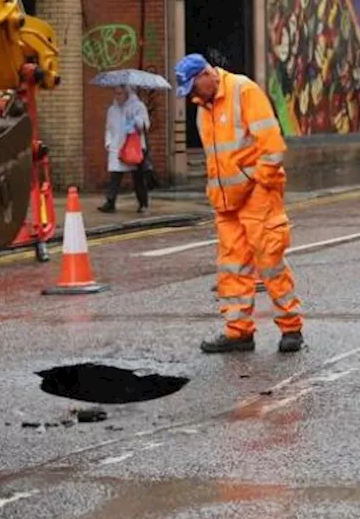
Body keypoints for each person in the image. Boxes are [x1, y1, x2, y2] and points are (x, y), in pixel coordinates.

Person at [174, 53, 304, 355]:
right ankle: (238, 333)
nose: (192, 96)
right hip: (227, 200)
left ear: (208, 74)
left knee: (270, 263)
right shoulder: (203, 106)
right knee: (231, 267)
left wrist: (259, 181)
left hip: (257, 195)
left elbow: (271, 145)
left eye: (194, 87)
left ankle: (291, 327)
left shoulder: (243, 90)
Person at [100, 85, 151, 214]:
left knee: (138, 177)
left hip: (134, 146)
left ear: (127, 93)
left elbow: (145, 125)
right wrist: (108, 142)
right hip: (117, 146)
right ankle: (110, 202)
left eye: (120, 93)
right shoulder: (112, 110)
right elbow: (109, 127)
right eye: (116, 93)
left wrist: (135, 120)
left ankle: (143, 203)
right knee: (115, 175)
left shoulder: (138, 106)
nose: (117, 96)